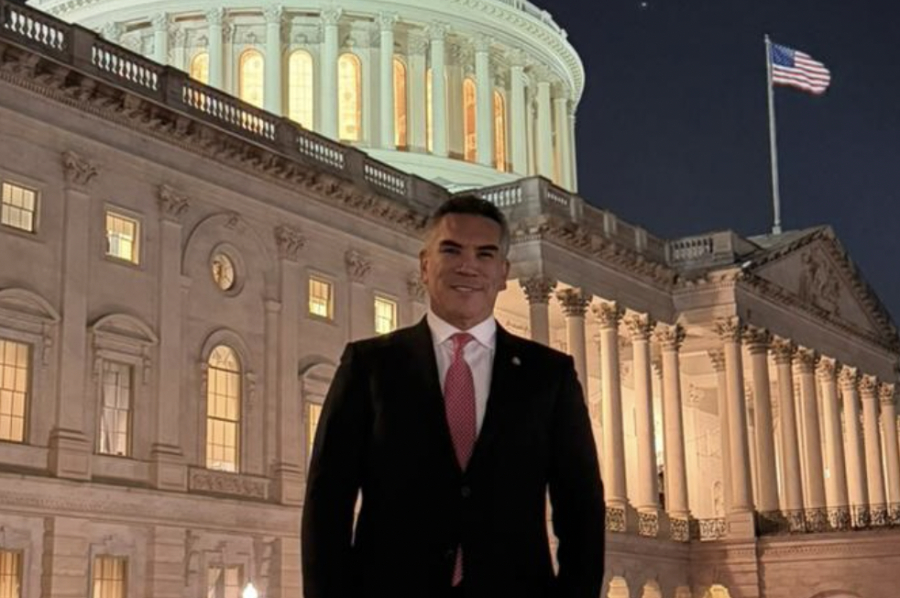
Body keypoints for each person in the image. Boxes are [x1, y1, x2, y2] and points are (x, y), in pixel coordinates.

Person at [301, 194, 605, 598]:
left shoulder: (549, 375)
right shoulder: (369, 366)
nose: (468, 266)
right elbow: (327, 503)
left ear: (503, 272)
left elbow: (581, 509)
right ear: (425, 265)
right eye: (452, 250)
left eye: (485, 254)